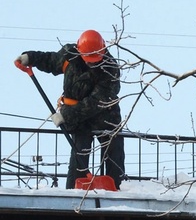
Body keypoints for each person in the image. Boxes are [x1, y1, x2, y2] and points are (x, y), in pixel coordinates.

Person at [15, 30, 125, 189]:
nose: (91, 62)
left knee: (114, 151)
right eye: (88, 58)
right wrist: (31, 57)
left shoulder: (110, 68)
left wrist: (65, 115)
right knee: (79, 153)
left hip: (106, 117)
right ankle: (74, 191)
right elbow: (51, 60)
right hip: (79, 121)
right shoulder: (70, 55)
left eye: (95, 59)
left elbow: (97, 101)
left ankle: (117, 188)